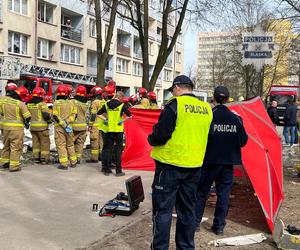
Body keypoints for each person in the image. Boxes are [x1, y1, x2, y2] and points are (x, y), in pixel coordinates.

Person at [148, 75, 213, 250]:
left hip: (169, 166)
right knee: (187, 211)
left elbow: (160, 135)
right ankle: (185, 247)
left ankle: (160, 248)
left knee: (163, 212)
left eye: (173, 90)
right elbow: (209, 136)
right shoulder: (207, 108)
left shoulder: (174, 105)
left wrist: (150, 138)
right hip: (193, 167)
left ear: (177, 87)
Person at [195, 86, 248, 235]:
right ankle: (219, 227)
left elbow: (201, 139)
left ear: (214, 98)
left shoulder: (209, 116)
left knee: (201, 193)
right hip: (227, 163)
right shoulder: (236, 118)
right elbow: (243, 140)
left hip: (209, 162)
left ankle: (195, 224)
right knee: (223, 194)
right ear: (227, 99)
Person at [97, 90, 132, 176]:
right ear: (120, 97)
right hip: (118, 131)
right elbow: (130, 116)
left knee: (108, 149)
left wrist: (105, 119)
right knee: (118, 150)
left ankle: (107, 170)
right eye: (122, 98)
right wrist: (122, 120)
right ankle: (118, 171)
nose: (122, 100)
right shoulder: (121, 105)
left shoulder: (106, 104)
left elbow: (98, 114)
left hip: (109, 130)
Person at [0, 87, 31, 172]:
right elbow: (28, 116)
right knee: (15, 147)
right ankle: (14, 166)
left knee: (6, 145)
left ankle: (4, 163)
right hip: (16, 129)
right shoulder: (20, 103)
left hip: (4, 128)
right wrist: (26, 122)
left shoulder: (3, 101)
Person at [52, 85, 78, 169]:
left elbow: (55, 115)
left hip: (59, 127)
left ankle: (64, 164)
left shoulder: (56, 103)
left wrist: (62, 123)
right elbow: (75, 115)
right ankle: (73, 162)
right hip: (69, 127)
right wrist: (67, 122)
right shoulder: (71, 103)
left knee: (61, 145)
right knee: (70, 144)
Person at [27, 87, 52, 164]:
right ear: (41, 95)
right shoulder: (42, 104)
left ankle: (36, 158)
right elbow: (46, 115)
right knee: (45, 143)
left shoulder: (29, 104)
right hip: (42, 128)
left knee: (35, 143)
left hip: (33, 127)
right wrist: (50, 120)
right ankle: (44, 159)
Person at [88, 86, 107, 163]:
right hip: (103, 125)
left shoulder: (95, 102)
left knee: (94, 141)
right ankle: (102, 157)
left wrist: (90, 124)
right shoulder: (104, 101)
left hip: (95, 125)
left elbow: (93, 114)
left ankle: (94, 158)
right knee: (102, 141)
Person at [71, 85, 88, 164]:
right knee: (80, 143)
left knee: (71, 142)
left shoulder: (72, 102)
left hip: (74, 126)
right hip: (83, 126)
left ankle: (72, 158)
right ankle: (78, 158)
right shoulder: (85, 103)